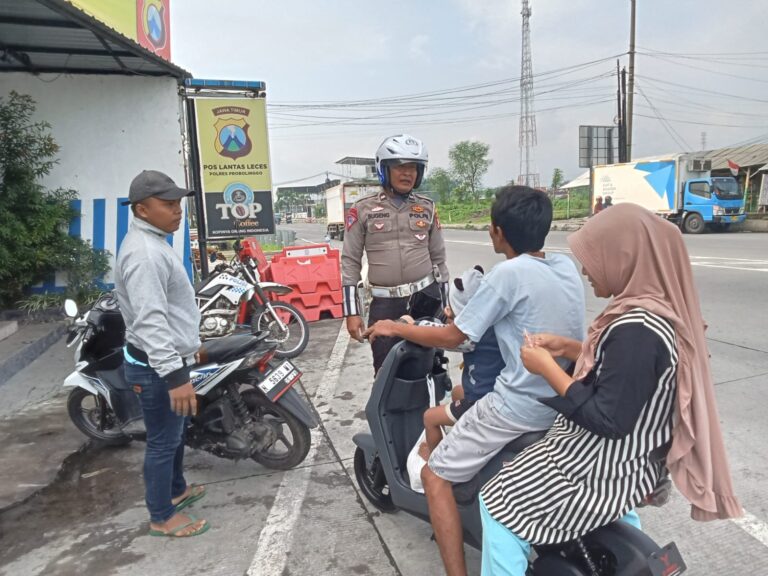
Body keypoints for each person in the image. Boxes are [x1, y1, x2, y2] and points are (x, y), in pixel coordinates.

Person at [478, 203, 742, 575]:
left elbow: (607, 418)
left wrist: (546, 368)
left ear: (623, 257)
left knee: (497, 503)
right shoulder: (656, 312)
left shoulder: (637, 329)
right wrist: (569, 348)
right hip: (633, 465)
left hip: (598, 470)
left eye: (593, 259)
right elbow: (627, 375)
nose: (586, 271)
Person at [365, 186, 586, 576]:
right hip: (560, 401)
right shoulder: (564, 266)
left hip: (518, 408)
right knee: (461, 392)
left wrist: (394, 328)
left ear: (497, 231)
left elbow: (455, 336)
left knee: (435, 476)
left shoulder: (507, 274)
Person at [115, 170, 209, 538]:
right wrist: (175, 376)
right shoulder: (145, 255)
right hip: (156, 369)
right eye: (168, 204)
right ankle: (161, 516)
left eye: (179, 203)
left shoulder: (154, 242)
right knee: (162, 442)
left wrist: (191, 344)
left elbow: (170, 309)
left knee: (175, 433)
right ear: (142, 209)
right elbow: (151, 321)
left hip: (168, 359)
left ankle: (176, 490)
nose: (177, 210)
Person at [342, 134, 449, 373]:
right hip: (385, 305)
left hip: (426, 300)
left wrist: (447, 306)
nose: (407, 173)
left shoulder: (427, 208)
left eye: (413, 167)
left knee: (430, 369)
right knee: (386, 374)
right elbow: (350, 262)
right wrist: (351, 312)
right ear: (384, 169)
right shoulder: (362, 209)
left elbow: (439, 261)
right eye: (400, 166)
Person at [421, 265, 504, 456]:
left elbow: (444, 337)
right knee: (458, 391)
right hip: (493, 395)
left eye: (452, 308)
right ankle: (464, 441)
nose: (447, 312)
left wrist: (412, 324)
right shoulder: (492, 325)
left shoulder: (470, 335)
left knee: (430, 417)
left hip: (481, 403)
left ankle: (434, 460)